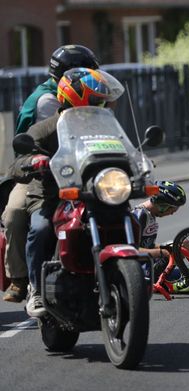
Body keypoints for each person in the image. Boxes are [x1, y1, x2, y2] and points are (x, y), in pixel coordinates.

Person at [10, 67, 124, 317]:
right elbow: (17, 162)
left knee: (133, 216)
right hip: (54, 195)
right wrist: (34, 161)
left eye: (102, 99)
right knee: (39, 229)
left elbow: (124, 149)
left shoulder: (106, 126)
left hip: (97, 192)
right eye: (96, 99)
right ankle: (36, 290)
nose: (102, 103)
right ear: (75, 97)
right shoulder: (47, 128)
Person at [2, 45, 99, 303]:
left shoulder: (92, 102)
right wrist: (37, 161)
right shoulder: (49, 101)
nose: (91, 80)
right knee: (16, 215)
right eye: (84, 73)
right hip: (40, 172)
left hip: (81, 172)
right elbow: (51, 141)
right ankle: (22, 281)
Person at [133, 181, 187, 280]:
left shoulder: (149, 215)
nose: (172, 213)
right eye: (173, 209)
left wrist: (168, 247)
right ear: (163, 205)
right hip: (142, 272)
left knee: (181, 244)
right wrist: (163, 252)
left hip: (150, 263)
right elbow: (131, 250)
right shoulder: (140, 216)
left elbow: (146, 245)